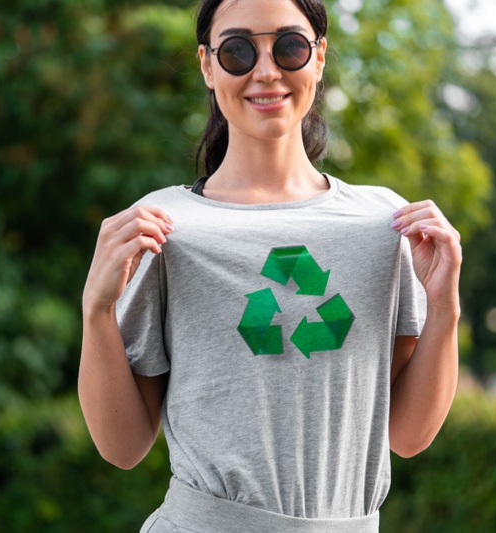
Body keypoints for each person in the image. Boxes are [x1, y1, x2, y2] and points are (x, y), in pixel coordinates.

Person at [78, 0, 462, 531]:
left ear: (320, 56)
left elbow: (408, 435)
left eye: (289, 47)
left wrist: (445, 309)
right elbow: (122, 446)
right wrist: (96, 312)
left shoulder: (385, 226)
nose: (266, 70)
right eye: (237, 51)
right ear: (208, 66)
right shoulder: (165, 228)